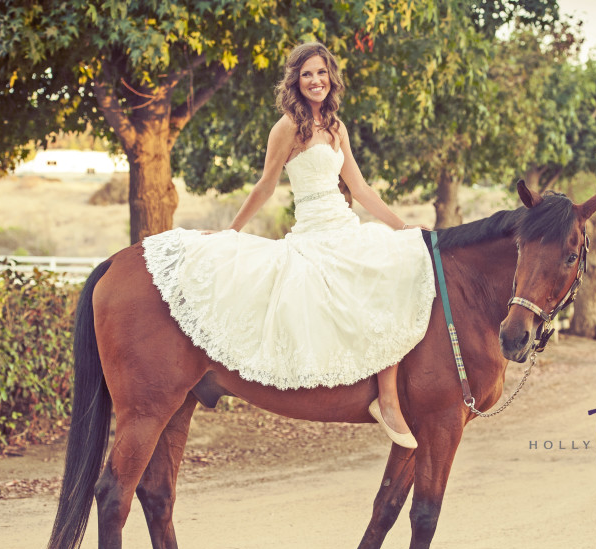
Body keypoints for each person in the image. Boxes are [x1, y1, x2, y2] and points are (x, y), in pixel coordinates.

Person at [142, 42, 435, 449]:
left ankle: (387, 396)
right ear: (296, 82)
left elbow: (360, 188)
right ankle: (374, 397)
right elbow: (265, 186)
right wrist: (232, 230)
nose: (315, 81)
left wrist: (403, 226)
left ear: (331, 77)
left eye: (321, 73)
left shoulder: (336, 126)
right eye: (306, 74)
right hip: (314, 230)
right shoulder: (286, 127)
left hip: (344, 223)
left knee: (397, 262)